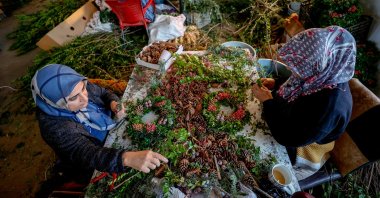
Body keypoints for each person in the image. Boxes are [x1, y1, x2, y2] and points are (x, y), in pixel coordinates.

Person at [31, 64, 168, 185]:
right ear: (56, 102)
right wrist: (125, 158)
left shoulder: (77, 84)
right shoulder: (54, 128)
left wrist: (113, 103)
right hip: (101, 154)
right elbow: (88, 154)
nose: (85, 99)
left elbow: (103, 93)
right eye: (73, 98)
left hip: (113, 128)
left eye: (83, 89)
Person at [252, 26, 356, 179]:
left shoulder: (329, 107)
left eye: (300, 68)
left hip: (303, 149)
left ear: (322, 64)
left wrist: (268, 102)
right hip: (294, 123)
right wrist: (276, 83)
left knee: (257, 158)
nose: (295, 72)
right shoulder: (324, 74)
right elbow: (298, 85)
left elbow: (288, 136)